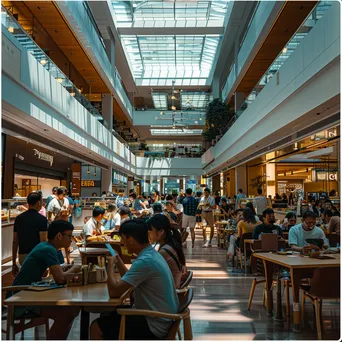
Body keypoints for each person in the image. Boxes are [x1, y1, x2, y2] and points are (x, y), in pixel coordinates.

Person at [89, 219, 179, 340]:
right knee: (106, 315)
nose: (122, 243)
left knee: (96, 327)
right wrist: (118, 260)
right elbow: (130, 279)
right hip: (162, 319)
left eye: (123, 239)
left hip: (154, 323)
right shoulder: (151, 254)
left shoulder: (145, 261)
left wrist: (110, 265)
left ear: (130, 240)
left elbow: (114, 292)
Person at [10, 220, 81, 340]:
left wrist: (62, 268)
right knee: (66, 314)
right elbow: (60, 279)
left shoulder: (45, 246)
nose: (71, 240)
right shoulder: (48, 249)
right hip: (21, 297)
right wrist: (75, 268)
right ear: (59, 236)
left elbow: (51, 272)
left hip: (29, 293)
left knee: (72, 309)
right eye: (69, 236)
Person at [12, 192, 48, 275]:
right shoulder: (42, 219)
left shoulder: (19, 219)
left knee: (27, 278)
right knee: (38, 281)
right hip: (37, 256)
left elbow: (15, 241)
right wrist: (46, 261)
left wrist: (14, 263)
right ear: (39, 203)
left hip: (22, 257)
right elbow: (43, 241)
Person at [147, 214, 186, 288]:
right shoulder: (171, 244)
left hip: (169, 291)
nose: (148, 234)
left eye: (150, 231)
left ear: (161, 232)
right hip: (173, 286)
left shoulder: (164, 251)